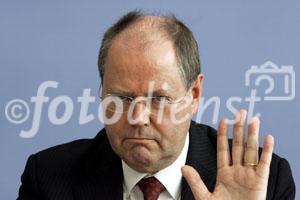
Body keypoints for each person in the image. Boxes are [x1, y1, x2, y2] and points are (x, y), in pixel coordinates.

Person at [17, 10, 295, 200]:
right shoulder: (49, 178)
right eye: (122, 98)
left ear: (194, 94)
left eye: (158, 99)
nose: (138, 117)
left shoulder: (264, 182)